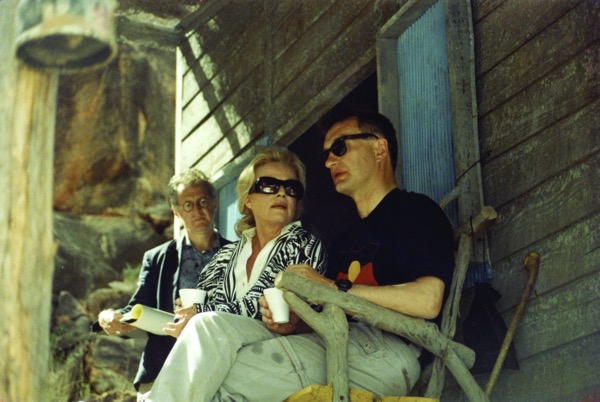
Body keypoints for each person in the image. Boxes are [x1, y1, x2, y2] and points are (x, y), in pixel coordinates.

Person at [146, 110, 455, 401]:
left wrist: (332, 287)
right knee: (207, 334)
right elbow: (330, 315)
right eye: (326, 154)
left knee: (213, 377)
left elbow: (427, 301)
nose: (329, 161)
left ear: (379, 148)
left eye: (339, 147)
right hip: (334, 342)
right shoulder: (345, 240)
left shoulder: (414, 211)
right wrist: (295, 325)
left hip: (386, 350)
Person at [144, 147, 327, 401]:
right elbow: (205, 305)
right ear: (248, 199)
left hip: (280, 349)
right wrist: (187, 315)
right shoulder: (225, 255)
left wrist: (200, 315)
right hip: (231, 352)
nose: (282, 193)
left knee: (207, 326)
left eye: (291, 187)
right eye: (269, 185)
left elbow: (265, 305)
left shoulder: (303, 244)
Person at [96, 168, 230, 396]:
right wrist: (109, 316)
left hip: (220, 370)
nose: (197, 211)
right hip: (165, 368)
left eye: (202, 202)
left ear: (214, 203)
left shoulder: (237, 253)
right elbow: (138, 307)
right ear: (176, 211)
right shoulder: (158, 258)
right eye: (187, 205)